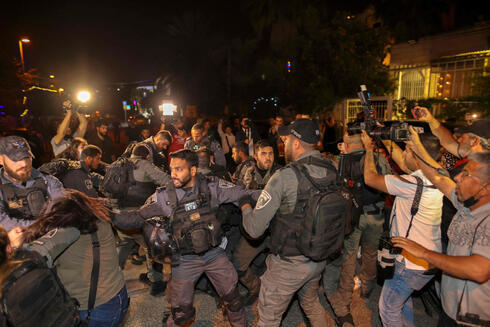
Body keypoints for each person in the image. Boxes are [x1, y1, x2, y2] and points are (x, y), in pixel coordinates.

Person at [112, 149, 260, 326]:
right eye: (171, 169)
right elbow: (135, 217)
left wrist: (275, 194)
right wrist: (105, 213)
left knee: (234, 301)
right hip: (184, 260)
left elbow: (245, 194)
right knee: (181, 314)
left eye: (179, 169)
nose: (173, 174)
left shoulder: (212, 186)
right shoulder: (164, 196)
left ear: (193, 170)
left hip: (215, 254)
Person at [240, 119, 335, 327]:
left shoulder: (284, 176)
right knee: (311, 304)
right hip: (318, 258)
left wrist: (245, 206)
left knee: (268, 318)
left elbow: (254, 229)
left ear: (297, 143)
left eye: (286, 140)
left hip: (288, 264)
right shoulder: (332, 169)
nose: (283, 144)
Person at [392, 128, 490, 327]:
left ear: (486, 188)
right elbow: (437, 178)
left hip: (471, 320)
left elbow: (480, 270)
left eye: (466, 175)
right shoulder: (466, 202)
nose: (457, 178)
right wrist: (416, 144)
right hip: (450, 310)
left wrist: (424, 253)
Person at [360, 130, 444, 327]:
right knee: (402, 304)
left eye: (407, 150)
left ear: (416, 154)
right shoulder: (440, 176)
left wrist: (369, 150)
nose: (403, 154)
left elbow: (371, 179)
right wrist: (383, 134)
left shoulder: (412, 184)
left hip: (410, 263)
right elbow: (405, 161)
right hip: (429, 259)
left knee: (388, 308)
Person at [17, 190, 129, 326]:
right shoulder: (99, 218)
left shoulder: (70, 230)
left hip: (96, 308)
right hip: (117, 295)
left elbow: (34, 255)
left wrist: (16, 247)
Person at [326, 133, 389, 326]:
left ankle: (344, 298)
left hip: (352, 216)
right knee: (370, 253)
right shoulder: (378, 158)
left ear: (346, 144)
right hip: (376, 214)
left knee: (349, 258)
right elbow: (388, 181)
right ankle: (367, 288)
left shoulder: (344, 161)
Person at [114, 144, 171, 295]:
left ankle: (112, 276)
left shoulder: (119, 164)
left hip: (119, 215)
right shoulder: (145, 164)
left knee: (124, 244)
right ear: (147, 156)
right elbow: (167, 180)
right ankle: (155, 281)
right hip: (138, 215)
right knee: (149, 246)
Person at [232, 139, 281, 304]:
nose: (268, 158)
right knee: (238, 264)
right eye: (263, 154)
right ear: (255, 156)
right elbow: (239, 195)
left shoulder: (281, 174)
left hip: (278, 229)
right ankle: (256, 287)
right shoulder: (248, 173)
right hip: (257, 230)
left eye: (271, 154)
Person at [0, 136, 65, 231]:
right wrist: (43, 226)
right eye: (15, 159)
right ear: (1, 159)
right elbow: (3, 223)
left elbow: (64, 211)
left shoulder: (48, 181)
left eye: (27, 157)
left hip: (51, 239)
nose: (24, 164)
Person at [413, 106, 489, 158]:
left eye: (462, 138)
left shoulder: (481, 169)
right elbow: (447, 142)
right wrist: (431, 120)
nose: (458, 140)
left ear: (476, 142)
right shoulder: (468, 156)